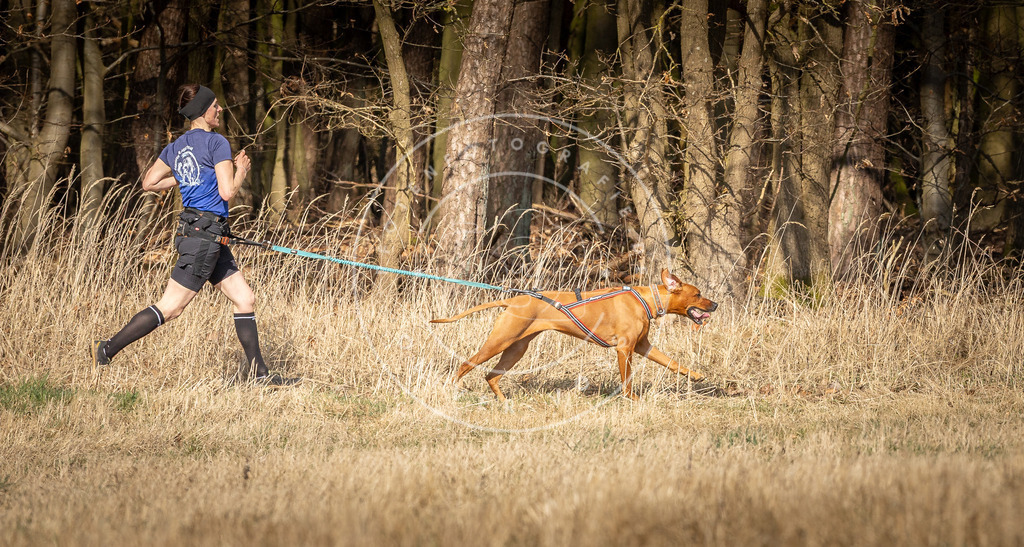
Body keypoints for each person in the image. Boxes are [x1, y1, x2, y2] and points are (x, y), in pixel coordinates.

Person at [93, 83, 272, 382]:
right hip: (204, 237)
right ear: (203, 110)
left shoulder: (175, 147)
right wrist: (241, 169)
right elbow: (228, 192)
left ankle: (259, 373)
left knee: (245, 298)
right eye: (215, 105)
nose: (220, 109)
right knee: (171, 307)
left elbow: (149, 182)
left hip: (203, 232)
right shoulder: (217, 144)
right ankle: (106, 349)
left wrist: (186, 178)